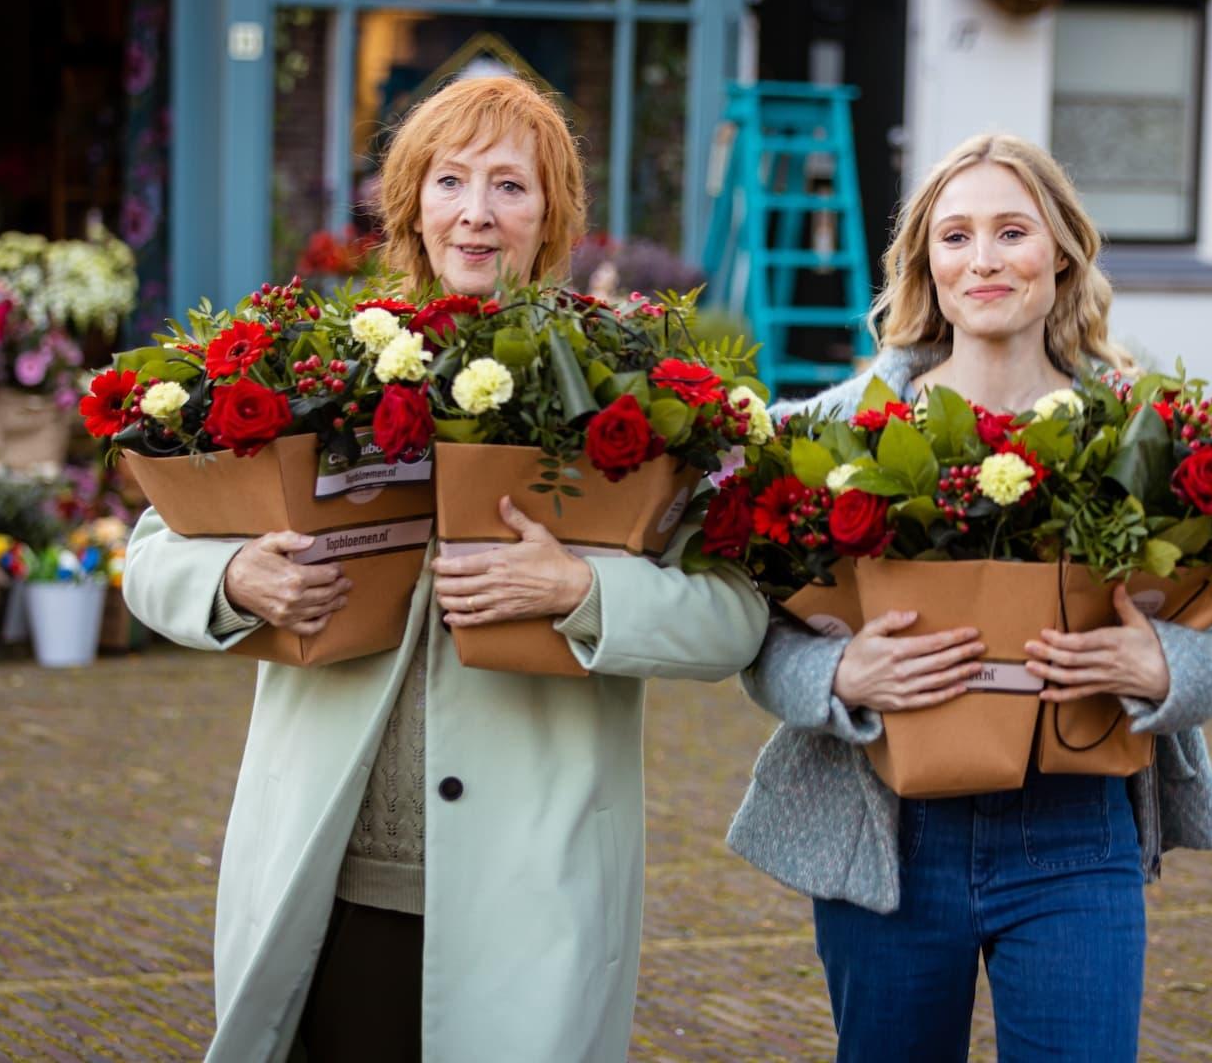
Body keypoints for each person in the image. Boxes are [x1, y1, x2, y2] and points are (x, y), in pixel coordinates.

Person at [123, 75, 768, 1063]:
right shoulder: (320, 368)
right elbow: (153, 548)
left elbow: (734, 618)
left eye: (510, 186)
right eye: (450, 180)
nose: (476, 212)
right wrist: (238, 579)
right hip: (328, 878)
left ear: (551, 213)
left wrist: (583, 593)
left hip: (527, 894)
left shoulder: (623, 394)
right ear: (410, 203)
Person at [726, 133, 1212, 1062]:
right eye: (955, 236)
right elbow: (755, 628)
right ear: (924, 264)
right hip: (890, 833)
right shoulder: (826, 433)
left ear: (1060, 250)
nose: (982, 260)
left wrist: (1165, 664)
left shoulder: (1143, 434)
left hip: (1078, 830)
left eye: (1011, 232)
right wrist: (839, 670)